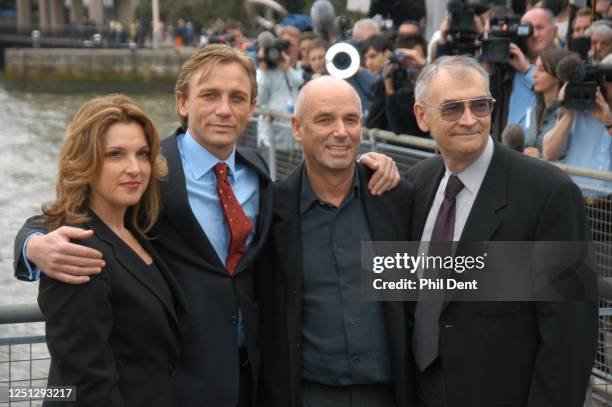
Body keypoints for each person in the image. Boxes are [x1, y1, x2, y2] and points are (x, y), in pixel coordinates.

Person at [13, 44, 399, 407]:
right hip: (176, 377)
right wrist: (32, 245)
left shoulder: (261, 175)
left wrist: (370, 164)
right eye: (210, 95)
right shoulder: (147, 170)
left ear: (252, 108)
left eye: (237, 98)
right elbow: (74, 213)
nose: (224, 110)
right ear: (182, 103)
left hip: (256, 376)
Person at [409, 55, 598, 406]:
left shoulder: (549, 193)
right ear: (422, 116)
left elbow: (569, 340)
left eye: (480, 105)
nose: (469, 120)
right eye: (452, 108)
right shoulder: (416, 183)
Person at [257, 76, 417, 407]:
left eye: (351, 120)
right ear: (297, 129)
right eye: (325, 119)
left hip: (390, 395)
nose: (341, 132)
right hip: (308, 395)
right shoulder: (271, 211)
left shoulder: (398, 200)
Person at [36, 95, 188, 406]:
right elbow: (86, 384)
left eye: (142, 154)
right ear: (86, 162)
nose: (135, 168)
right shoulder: (76, 253)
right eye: (116, 155)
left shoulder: (134, 231)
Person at [523, 49, 573, 157]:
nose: (534, 75)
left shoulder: (568, 112)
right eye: (535, 68)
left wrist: (540, 156)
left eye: (541, 69)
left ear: (558, 75)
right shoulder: (535, 109)